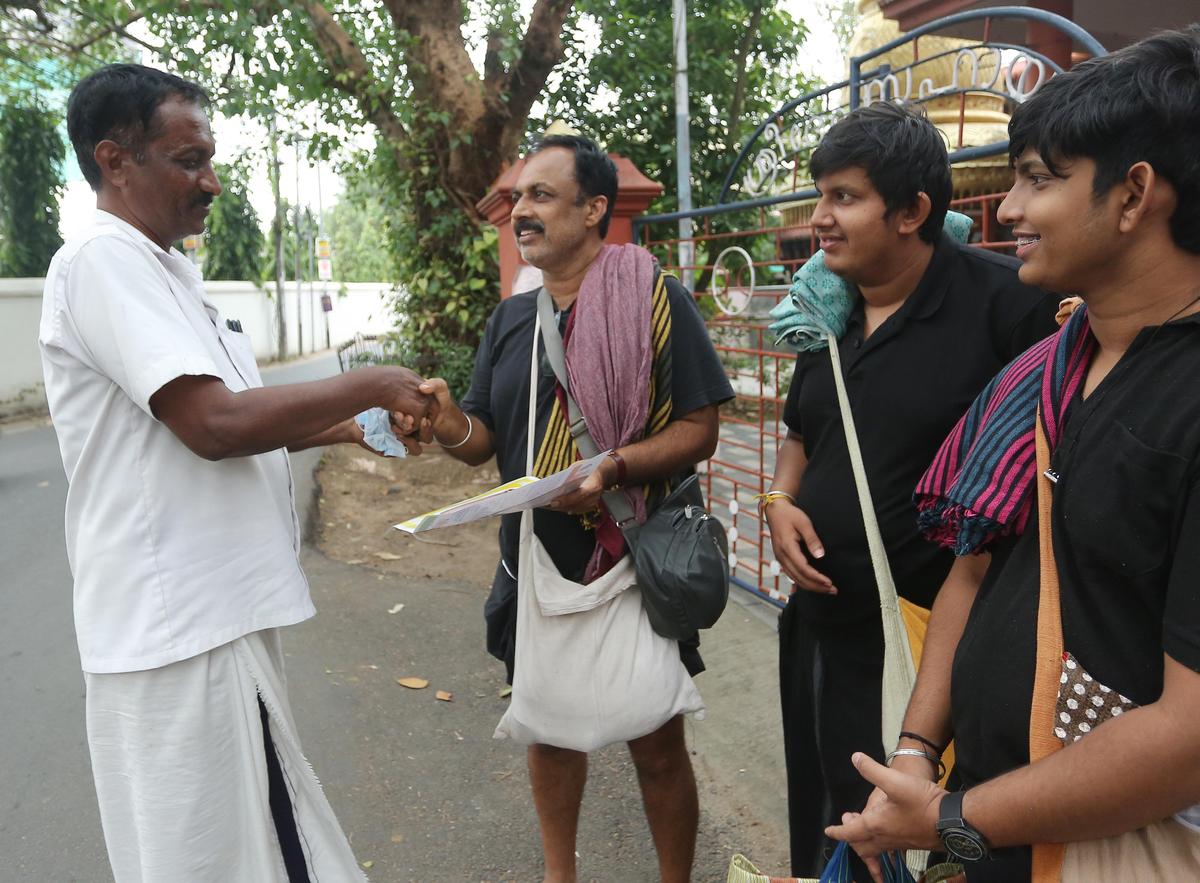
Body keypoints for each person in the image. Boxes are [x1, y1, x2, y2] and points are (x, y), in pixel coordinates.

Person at [40, 63, 431, 882]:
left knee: (246, 844)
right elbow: (214, 425)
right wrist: (373, 381)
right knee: (222, 856)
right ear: (115, 160)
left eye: (210, 158)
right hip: (178, 627)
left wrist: (353, 426)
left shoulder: (163, 273)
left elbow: (241, 420)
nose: (211, 181)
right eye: (188, 160)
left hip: (207, 618)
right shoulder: (101, 263)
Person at [827, 26, 1200, 882]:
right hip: (996, 827)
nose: (1010, 209)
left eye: (1041, 179)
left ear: (1135, 193)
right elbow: (976, 566)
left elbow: (1188, 737)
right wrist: (919, 752)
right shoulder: (1053, 366)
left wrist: (954, 817)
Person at [417, 134, 734, 883]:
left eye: (541, 196)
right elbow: (481, 440)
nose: (521, 212)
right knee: (550, 734)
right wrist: (440, 419)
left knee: (657, 743)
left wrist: (612, 467)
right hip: (533, 559)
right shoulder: (510, 320)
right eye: (519, 199)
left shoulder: (652, 297)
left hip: (629, 549)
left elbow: (700, 429)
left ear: (595, 209)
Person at [762, 102, 1059, 878]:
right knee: (836, 820)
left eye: (844, 197)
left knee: (928, 843)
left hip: (940, 647)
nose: (820, 219)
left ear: (913, 211)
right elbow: (802, 432)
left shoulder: (1010, 305)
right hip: (826, 629)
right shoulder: (826, 309)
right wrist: (779, 500)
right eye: (819, 194)